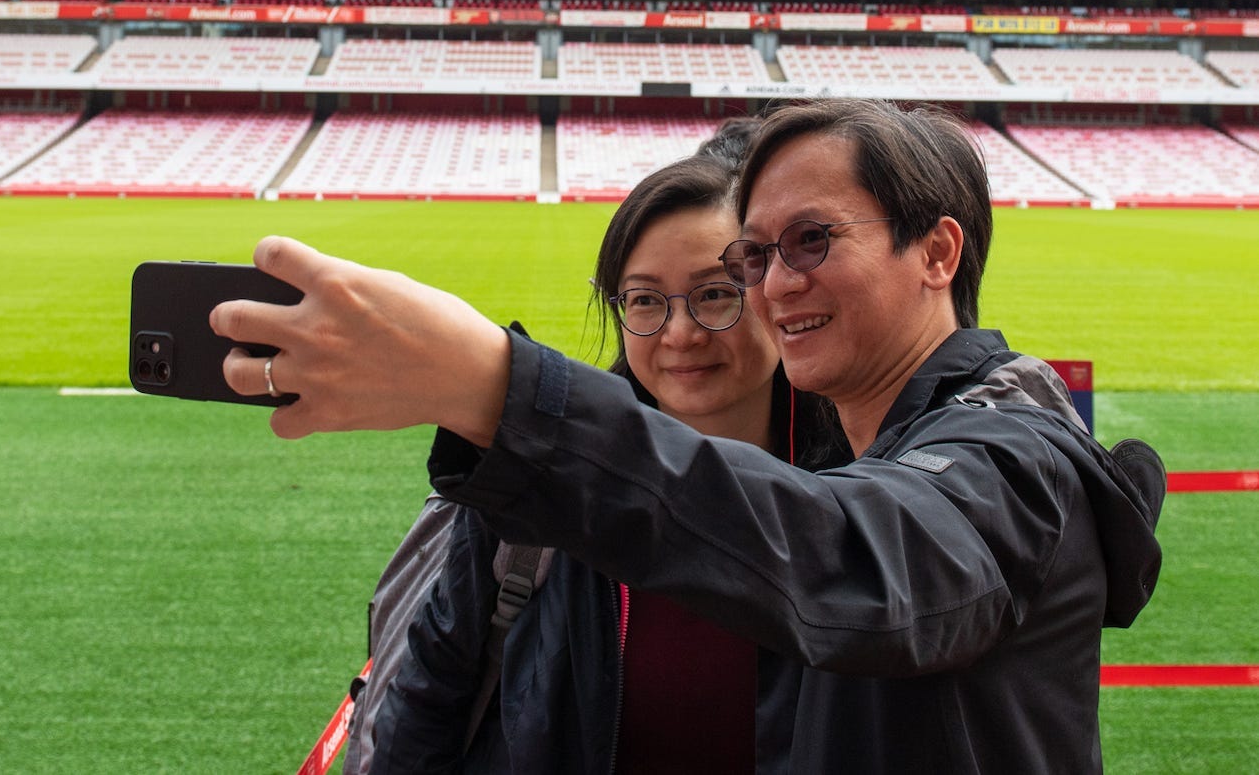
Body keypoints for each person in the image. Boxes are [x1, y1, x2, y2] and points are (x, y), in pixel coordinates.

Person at [216, 99, 1165, 773]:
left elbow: (856, 567)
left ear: (938, 252)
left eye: (813, 240)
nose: (774, 284)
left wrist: (496, 386)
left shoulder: (1013, 461)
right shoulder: (876, 448)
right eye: (756, 256)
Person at [368, 123, 847, 773]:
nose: (680, 333)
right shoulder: (535, 475)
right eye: (646, 300)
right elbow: (430, 696)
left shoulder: (865, 478)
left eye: (715, 294)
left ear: (769, 288)